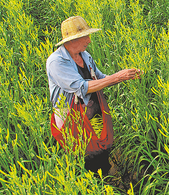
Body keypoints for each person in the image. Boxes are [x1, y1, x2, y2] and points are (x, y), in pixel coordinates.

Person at [46, 16, 142, 175]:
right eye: (85, 36)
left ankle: (107, 172)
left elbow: (100, 78)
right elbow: (81, 87)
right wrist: (117, 76)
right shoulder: (57, 62)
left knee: (102, 144)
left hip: (92, 109)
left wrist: (127, 75)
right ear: (72, 40)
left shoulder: (85, 56)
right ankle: (98, 185)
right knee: (86, 154)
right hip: (72, 116)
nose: (89, 40)